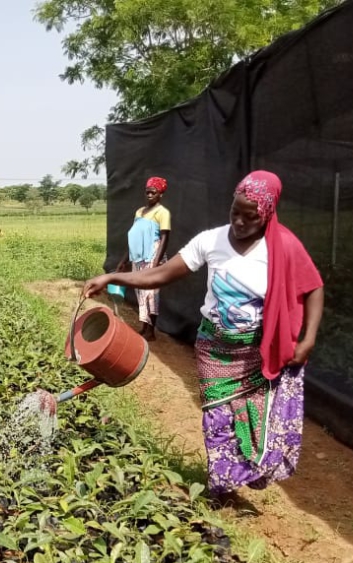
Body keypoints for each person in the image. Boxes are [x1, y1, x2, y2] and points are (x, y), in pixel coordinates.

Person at [83, 170, 324, 502]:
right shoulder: (211, 241)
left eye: (250, 216)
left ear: (268, 214)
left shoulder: (283, 246)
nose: (239, 222)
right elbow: (160, 274)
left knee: (254, 417)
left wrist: (308, 338)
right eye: (235, 212)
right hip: (214, 349)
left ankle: (244, 471)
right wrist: (113, 277)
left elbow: (313, 288)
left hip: (257, 351)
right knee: (217, 416)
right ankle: (221, 488)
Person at [122, 176, 171, 340]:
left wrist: (156, 262)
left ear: (160, 194)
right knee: (141, 293)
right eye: (147, 192)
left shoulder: (163, 213)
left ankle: (151, 331)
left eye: (153, 192)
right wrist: (124, 259)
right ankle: (144, 327)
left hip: (153, 256)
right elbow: (134, 237)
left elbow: (165, 238)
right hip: (138, 257)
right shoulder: (139, 212)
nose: (149, 195)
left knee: (151, 294)